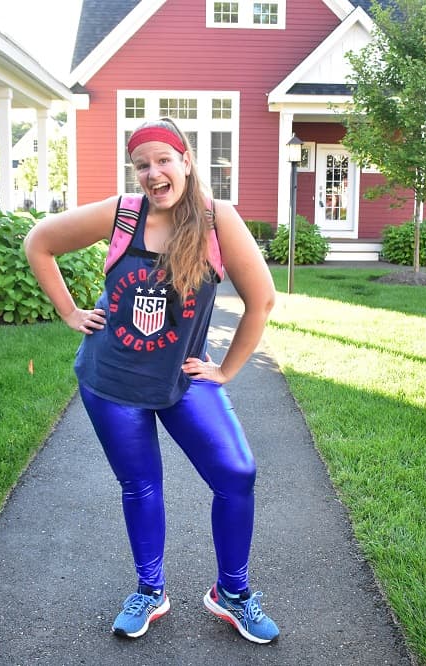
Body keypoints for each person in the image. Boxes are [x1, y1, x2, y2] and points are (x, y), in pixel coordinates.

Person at [24, 117, 279, 644]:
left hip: (182, 379)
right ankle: (150, 589)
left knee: (236, 473)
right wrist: (71, 312)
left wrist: (226, 370)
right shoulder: (122, 214)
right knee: (140, 485)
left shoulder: (216, 220)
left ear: (185, 161)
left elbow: (263, 301)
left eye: (163, 160)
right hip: (111, 381)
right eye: (142, 165)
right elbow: (39, 242)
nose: (152, 173)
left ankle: (232, 593)